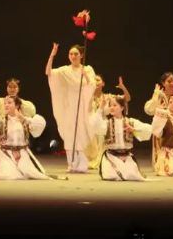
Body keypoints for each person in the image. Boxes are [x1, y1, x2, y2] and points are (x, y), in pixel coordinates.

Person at [46, 42, 96, 173]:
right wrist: (52, 55)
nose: (73, 56)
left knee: (81, 133)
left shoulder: (88, 69)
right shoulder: (65, 70)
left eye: (76, 54)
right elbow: (48, 72)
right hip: (69, 105)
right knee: (69, 134)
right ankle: (72, 164)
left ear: (81, 55)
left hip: (82, 105)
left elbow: (92, 85)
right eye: (71, 54)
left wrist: (85, 75)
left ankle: (82, 164)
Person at [0, 95, 51, 179]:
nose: (6, 105)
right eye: (5, 103)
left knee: (31, 174)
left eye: (9, 103)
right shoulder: (1, 121)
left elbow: (38, 126)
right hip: (5, 155)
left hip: (22, 155)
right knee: (9, 175)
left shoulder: (25, 120)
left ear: (17, 105)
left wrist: (23, 118)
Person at [90, 96, 151, 181]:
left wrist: (134, 130)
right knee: (111, 175)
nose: (112, 107)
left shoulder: (130, 122)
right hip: (111, 157)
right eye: (110, 105)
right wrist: (100, 108)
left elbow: (149, 129)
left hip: (126, 157)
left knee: (131, 175)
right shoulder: (107, 124)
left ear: (122, 108)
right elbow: (93, 125)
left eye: (115, 105)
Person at [86, 75, 131, 169]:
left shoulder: (108, 97)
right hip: (90, 124)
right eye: (94, 80)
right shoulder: (87, 97)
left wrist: (123, 87)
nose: (95, 82)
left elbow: (126, 98)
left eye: (98, 80)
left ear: (103, 83)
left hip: (103, 124)